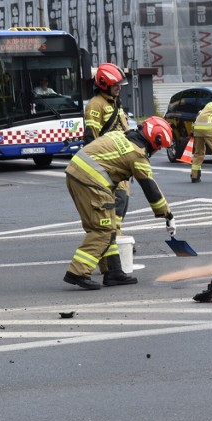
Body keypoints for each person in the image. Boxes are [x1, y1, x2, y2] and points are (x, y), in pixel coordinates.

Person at [63, 116, 177, 290]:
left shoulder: (121, 135)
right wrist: (167, 214)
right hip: (91, 181)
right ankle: (78, 271)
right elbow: (150, 188)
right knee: (102, 229)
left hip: (78, 174)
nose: (156, 152)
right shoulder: (137, 154)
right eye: (158, 147)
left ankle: (113, 271)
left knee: (110, 227)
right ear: (154, 141)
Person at [84, 63, 132, 273]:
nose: (119, 88)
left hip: (119, 163)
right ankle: (112, 250)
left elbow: (123, 129)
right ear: (104, 84)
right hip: (107, 166)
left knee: (120, 207)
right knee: (113, 209)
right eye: (116, 85)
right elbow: (91, 139)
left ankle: (115, 243)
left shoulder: (114, 102)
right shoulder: (96, 105)